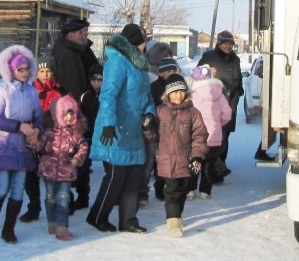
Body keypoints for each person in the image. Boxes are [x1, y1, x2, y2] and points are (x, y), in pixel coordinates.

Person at [86, 23, 156, 234]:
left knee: (134, 176)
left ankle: (128, 220)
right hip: (115, 129)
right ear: (133, 42)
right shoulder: (117, 62)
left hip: (134, 129)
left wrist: (150, 114)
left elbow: (147, 97)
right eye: (143, 41)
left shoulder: (139, 66)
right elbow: (108, 95)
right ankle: (97, 216)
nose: (146, 45)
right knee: (116, 176)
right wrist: (108, 124)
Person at [0, 45, 43, 244]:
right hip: (5, 145)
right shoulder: (1, 90)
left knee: (18, 189)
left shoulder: (31, 91)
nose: (25, 73)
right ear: (11, 70)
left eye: (27, 69)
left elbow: (38, 115)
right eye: (21, 69)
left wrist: (36, 130)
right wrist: (18, 126)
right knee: (2, 188)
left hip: (24, 148)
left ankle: (8, 229)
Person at [28, 95, 89, 241]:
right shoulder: (50, 133)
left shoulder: (75, 133)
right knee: (50, 197)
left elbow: (83, 146)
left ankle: (62, 227)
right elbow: (40, 146)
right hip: (49, 169)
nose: (69, 117)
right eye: (65, 114)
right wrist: (32, 142)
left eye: (71, 113)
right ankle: (52, 222)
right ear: (58, 115)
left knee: (63, 197)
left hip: (66, 170)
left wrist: (77, 158)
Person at [155, 73, 208, 237]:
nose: (178, 95)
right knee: (172, 191)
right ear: (168, 93)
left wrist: (197, 156)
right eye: (174, 92)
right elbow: (152, 136)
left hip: (185, 160)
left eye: (181, 91)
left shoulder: (193, 113)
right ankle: (173, 223)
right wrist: (148, 127)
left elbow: (200, 136)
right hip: (166, 160)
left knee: (183, 190)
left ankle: (177, 215)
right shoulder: (160, 112)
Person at [20, 56, 69, 223]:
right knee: (31, 176)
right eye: (42, 71)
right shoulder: (29, 91)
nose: (46, 74)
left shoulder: (61, 91)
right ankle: (34, 207)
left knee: (55, 175)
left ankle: (61, 204)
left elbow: (69, 113)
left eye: (48, 71)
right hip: (32, 139)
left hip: (54, 141)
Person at [196, 30, 243, 176]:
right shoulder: (209, 56)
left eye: (230, 44)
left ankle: (221, 163)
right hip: (213, 99)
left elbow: (238, 75)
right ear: (219, 44)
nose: (228, 47)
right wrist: (207, 71)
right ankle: (212, 168)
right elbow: (197, 74)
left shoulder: (235, 59)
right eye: (225, 44)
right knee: (215, 133)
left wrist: (239, 88)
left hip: (231, 100)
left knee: (226, 133)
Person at [187, 64, 232, 199]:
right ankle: (205, 191)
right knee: (209, 164)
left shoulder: (193, 95)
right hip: (214, 136)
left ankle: (190, 190)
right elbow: (227, 114)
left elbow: (188, 115)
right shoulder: (219, 93)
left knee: (195, 162)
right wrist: (218, 124)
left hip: (196, 136)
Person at [142, 49, 177, 204]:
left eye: (173, 70)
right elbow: (151, 107)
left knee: (165, 161)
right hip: (156, 128)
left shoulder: (178, 87)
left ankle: (161, 187)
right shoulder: (155, 87)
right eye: (168, 70)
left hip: (171, 130)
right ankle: (143, 193)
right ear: (161, 72)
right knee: (149, 161)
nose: (171, 73)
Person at [74, 66, 103, 211]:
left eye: (100, 80)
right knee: (83, 168)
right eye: (94, 80)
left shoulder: (108, 94)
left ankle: (113, 195)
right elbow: (80, 115)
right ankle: (83, 197)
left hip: (105, 136)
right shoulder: (85, 96)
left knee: (112, 169)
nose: (97, 83)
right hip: (88, 135)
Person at [52, 18, 99, 101]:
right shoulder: (66, 54)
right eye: (81, 32)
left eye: (86, 30)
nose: (86, 34)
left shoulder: (81, 50)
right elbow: (71, 85)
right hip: (73, 103)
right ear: (70, 35)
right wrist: (79, 105)